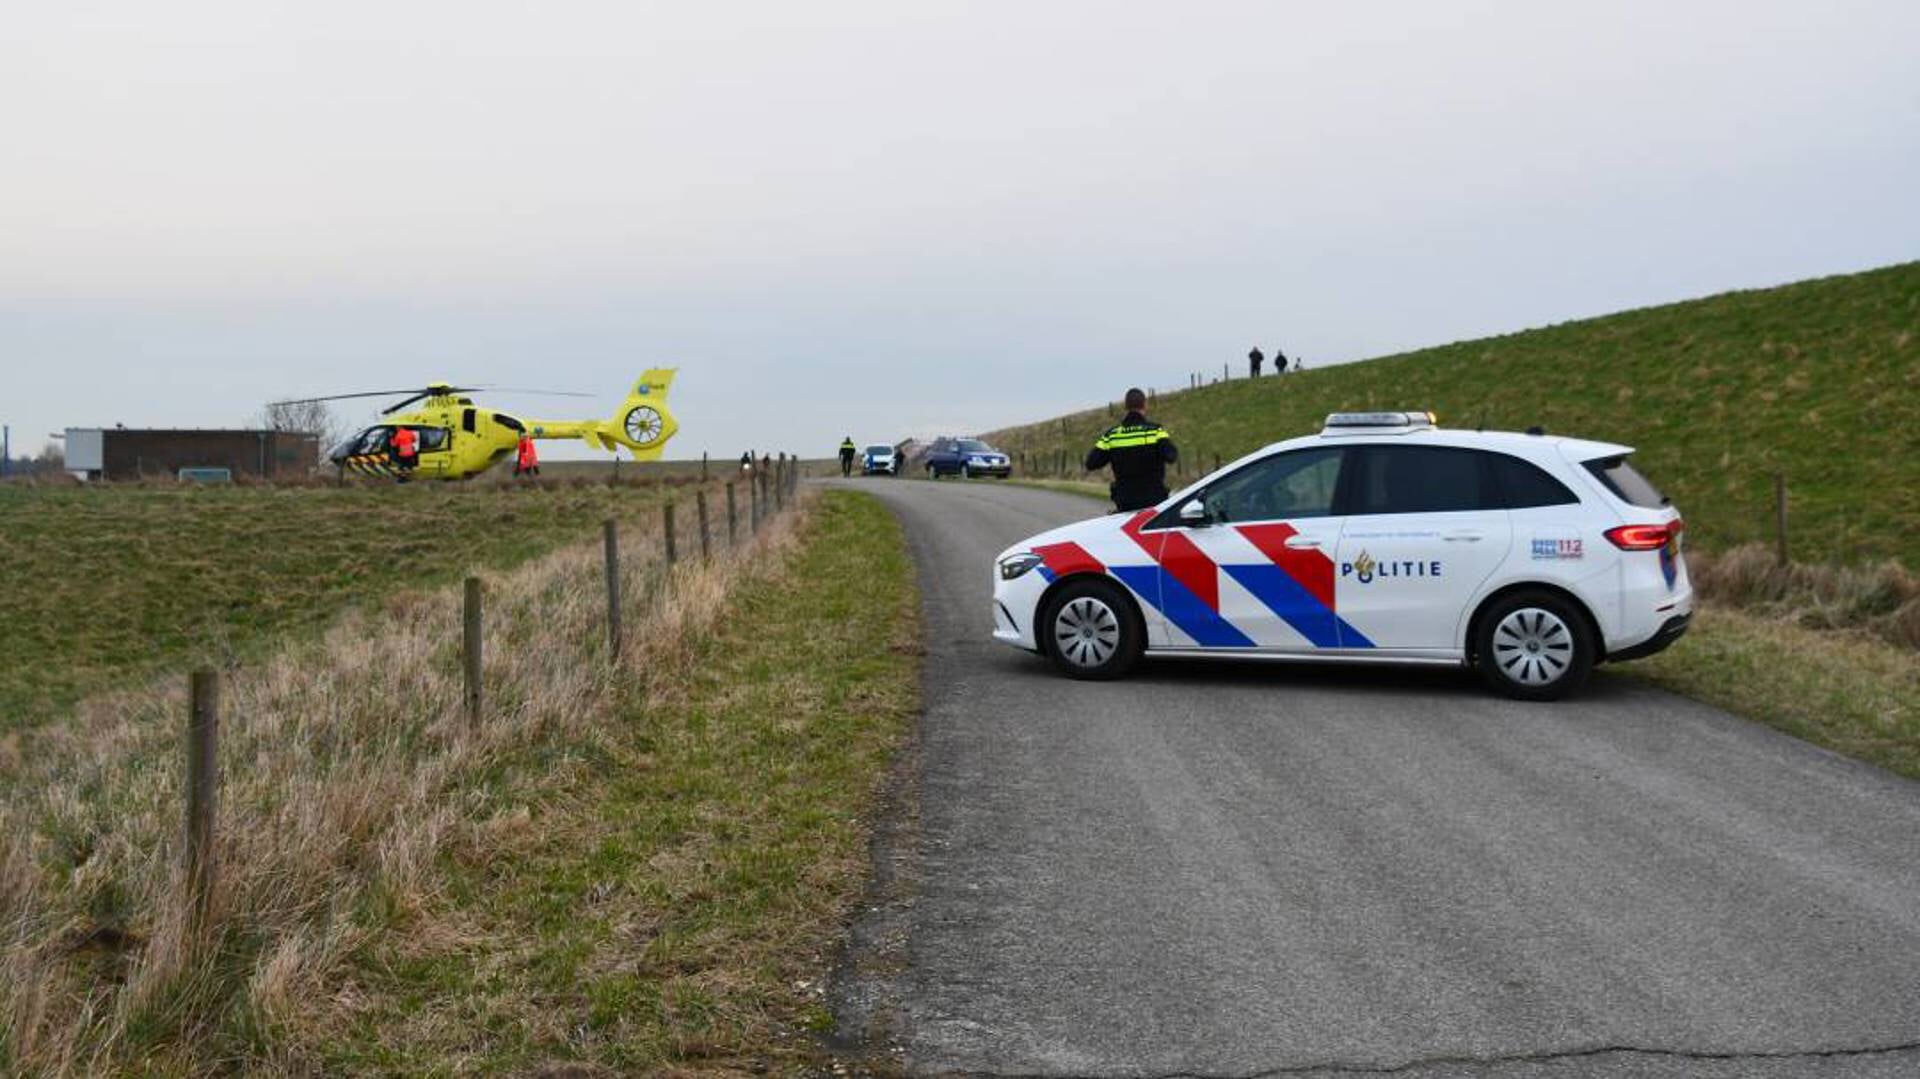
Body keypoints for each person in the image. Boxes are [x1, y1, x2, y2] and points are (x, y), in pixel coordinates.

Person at [1086, 388, 1178, 512]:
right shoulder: (1155, 431)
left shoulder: (1112, 435)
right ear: (1144, 404)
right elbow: (1172, 456)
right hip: (1154, 501)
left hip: (1125, 501)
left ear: (1126, 406)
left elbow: (1091, 463)